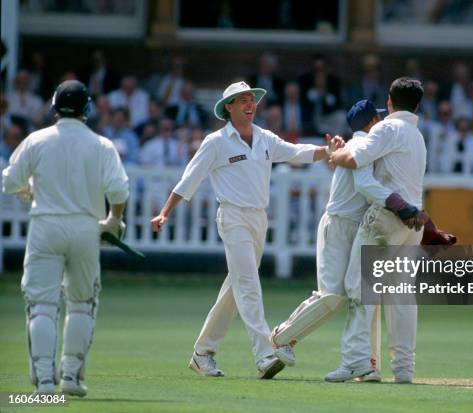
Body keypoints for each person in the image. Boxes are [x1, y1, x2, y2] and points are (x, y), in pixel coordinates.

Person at [150, 81, 343, 379]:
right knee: (249, 286)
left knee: (235, 288)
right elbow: (189, 179)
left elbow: (297, 152)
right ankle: (265, 354)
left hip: (258, 220)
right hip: (232, 217)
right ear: (228, 107)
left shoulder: (264, 137)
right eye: (242, 100)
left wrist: (326, 150)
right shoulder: (216, 142)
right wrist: (164, 213)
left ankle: (202, 353)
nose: (250, 105)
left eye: (252, 100)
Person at [270, 100, 419, 381]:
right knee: (333, 296)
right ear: (374, 120)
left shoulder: (371, 143)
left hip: (360, 224)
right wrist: (400, 204)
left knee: (363, 295)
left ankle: (365, 363)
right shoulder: (362, 144)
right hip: (339, 224)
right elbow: (364, 183)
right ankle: (282, 337)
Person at [1, 80, 129, 396]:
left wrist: (26, 190)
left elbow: (9, 181)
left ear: (55, 107)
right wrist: (113, 220)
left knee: (42, 304)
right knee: (82, 302)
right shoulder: (101, 145)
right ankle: (70, 378)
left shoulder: (37, 140)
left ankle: (45, 381)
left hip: (46, 226)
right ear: (87, 110)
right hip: (86, 227)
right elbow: (119, 190)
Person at [327, 77, 428, 383]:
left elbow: (355, 158)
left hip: (386, 219)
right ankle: (404, 370)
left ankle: (357, 362)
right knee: (401, 297)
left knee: (359, 288)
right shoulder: (417, 135)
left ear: (389, 103)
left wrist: (334, 155)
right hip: (413, 225)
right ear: (418, 105)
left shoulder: (387, 128)